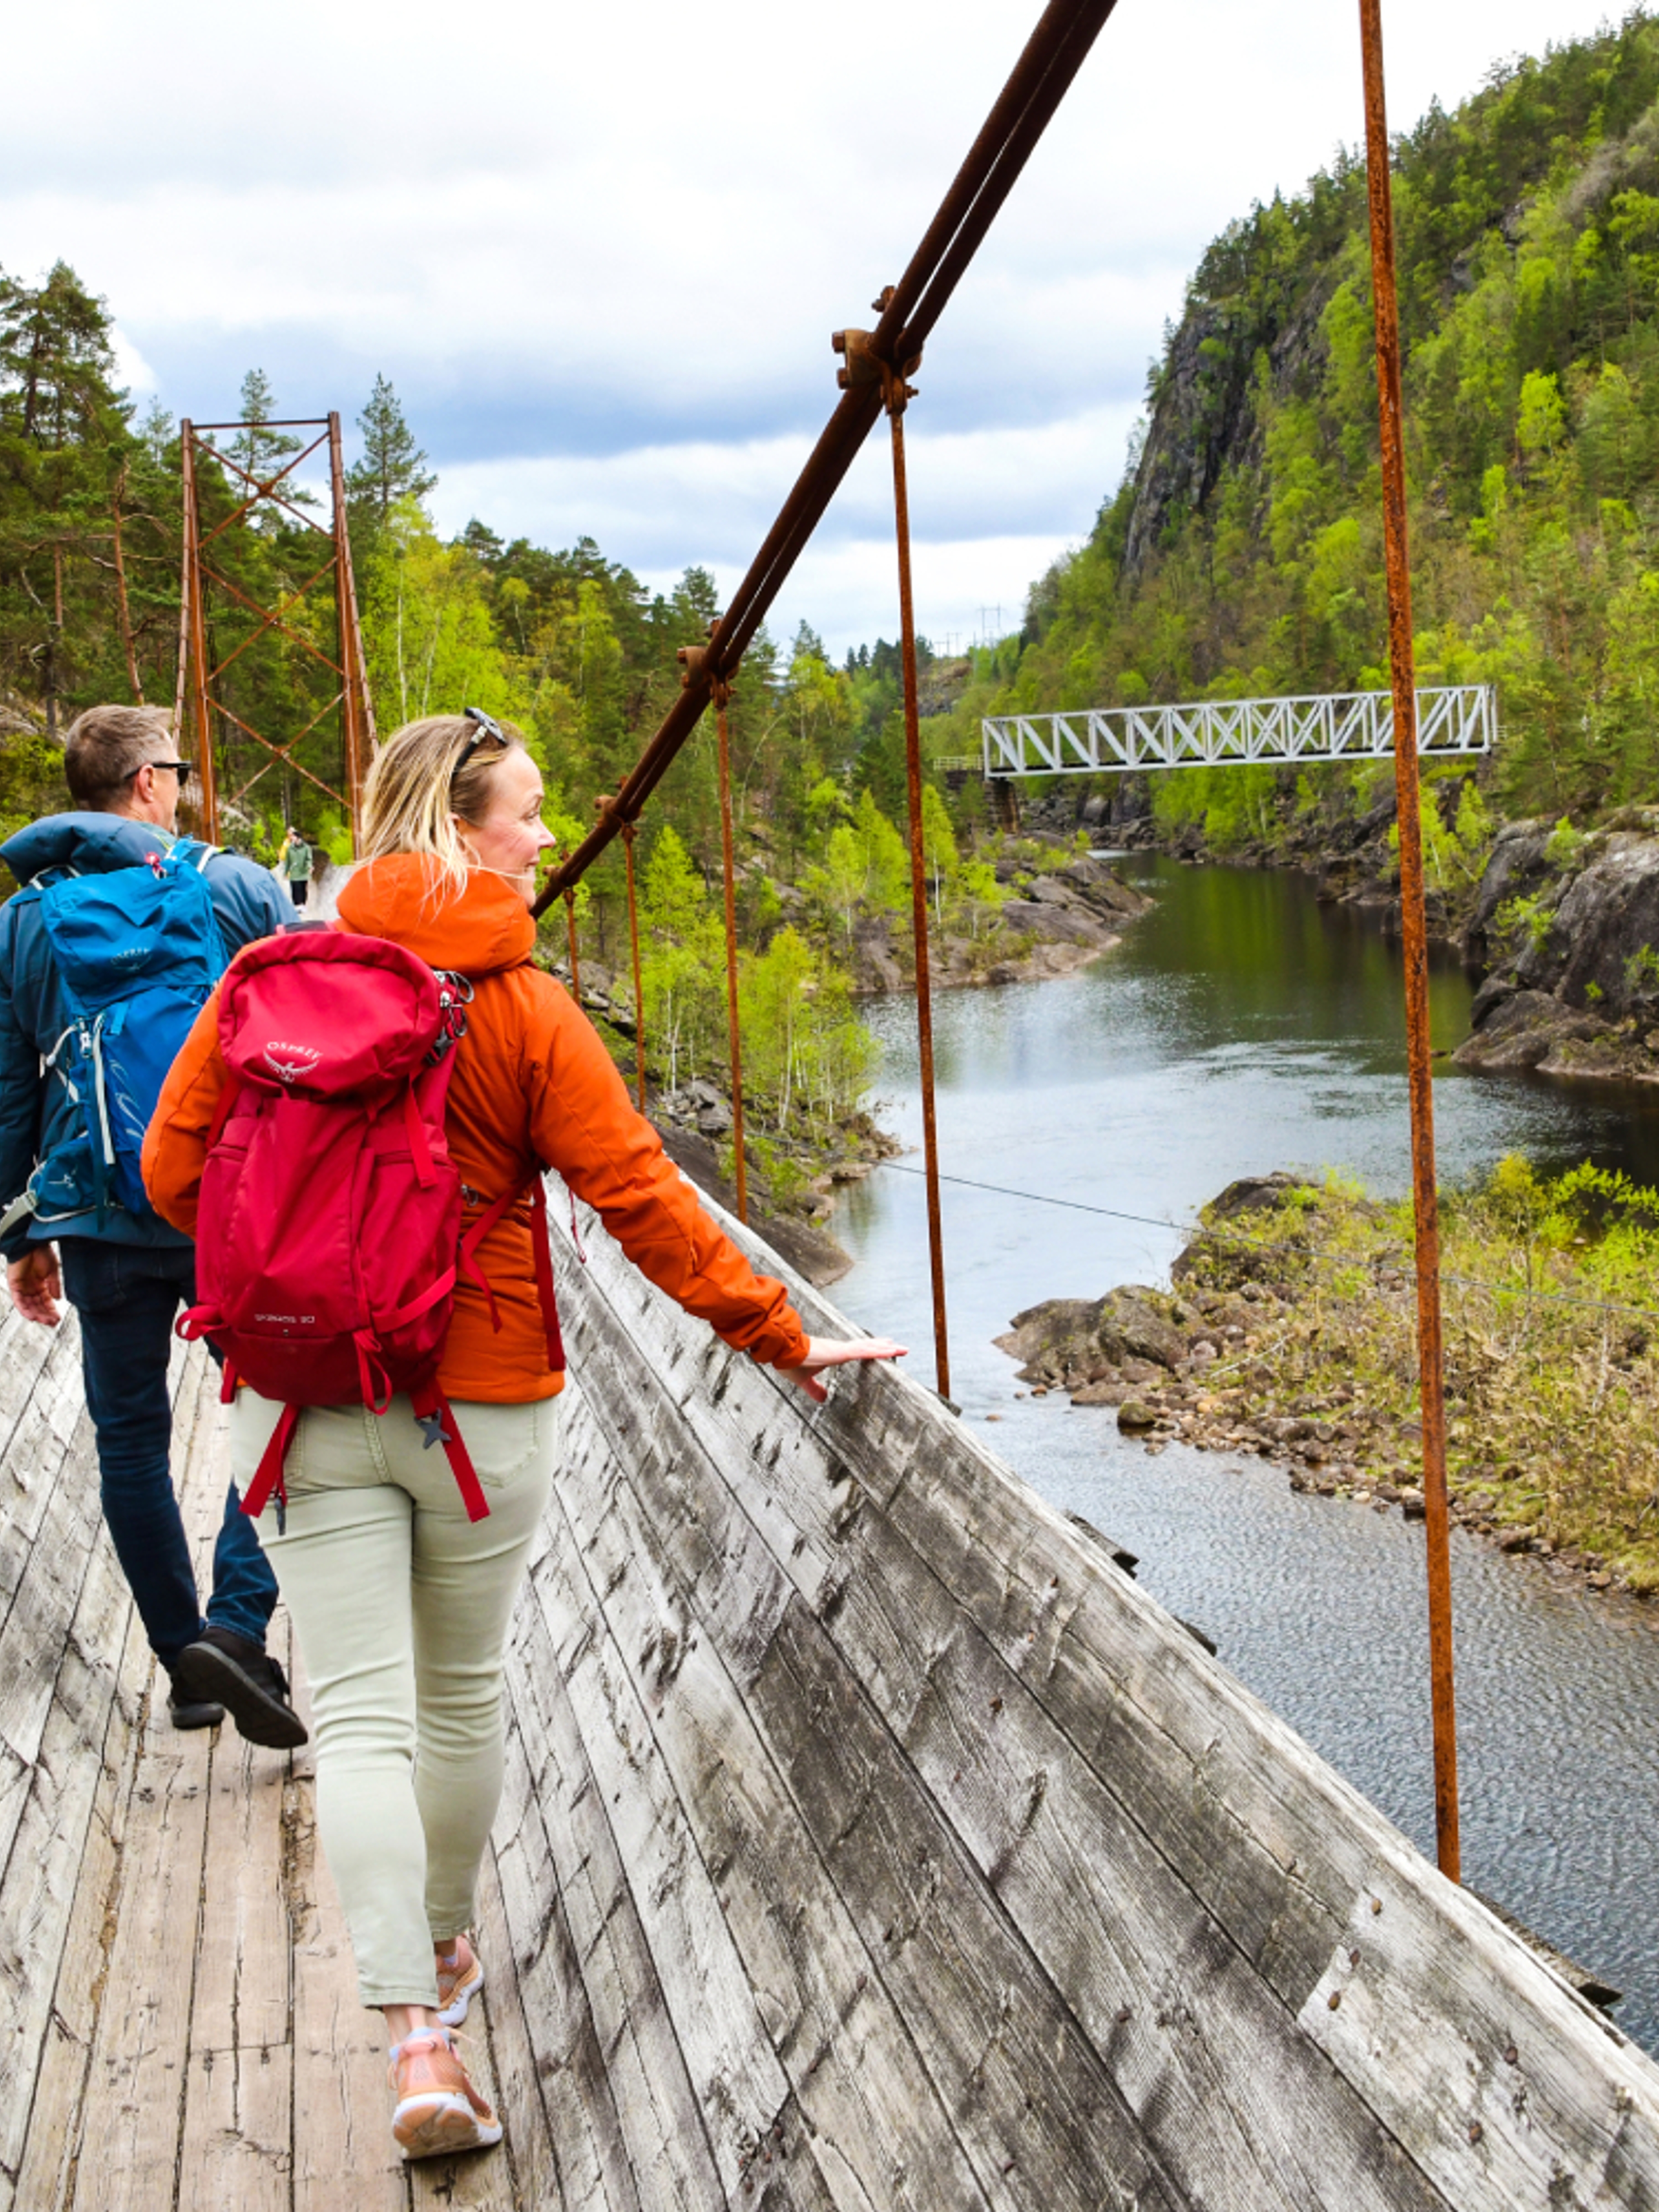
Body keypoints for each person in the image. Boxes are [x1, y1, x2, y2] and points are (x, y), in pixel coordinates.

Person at [143, 708, 904, 2160]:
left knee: (358, 1715)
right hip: (480, 1398)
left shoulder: (260, 980)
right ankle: (439, 1950)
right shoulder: (522, 1005)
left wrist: (306, 1264)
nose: (550, 836)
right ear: (464, 820)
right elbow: (643, 1198)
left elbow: (173, 1177)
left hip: (293, 1406)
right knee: (460, 1695)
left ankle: (417, 2047)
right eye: (532, 811)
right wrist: (779, 1328)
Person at [0, 705, 306, 1747]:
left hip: (90, 1216)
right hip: (224, 1202)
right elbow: (308, 1033)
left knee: (129, 1434)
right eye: (175, 769)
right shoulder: (232, 885)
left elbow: (11, 1087)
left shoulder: (22, 919)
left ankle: (186, 1664)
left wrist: (18, 1236)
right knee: (285, 1408)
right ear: (145, 786)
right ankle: (237, 1622)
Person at [283, 825, 314, 908]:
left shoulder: (306, 848)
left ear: (298, 838)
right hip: (294, 873)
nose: (292, 838)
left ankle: (303, 904)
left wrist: (309, 867)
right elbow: (288, 862)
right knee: (295, 890)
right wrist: (286, 873)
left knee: (303, 889)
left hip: (303, 873)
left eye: (294, 837)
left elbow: (309, 859)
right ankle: (297, 905)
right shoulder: (290, 849)